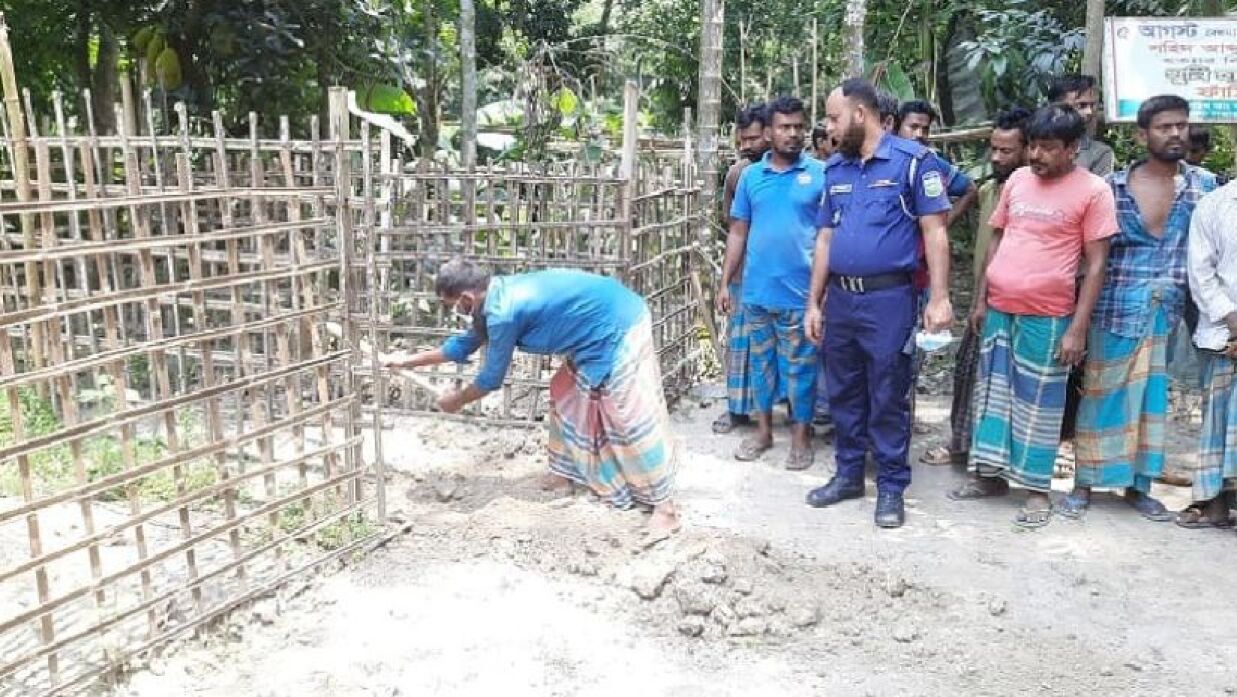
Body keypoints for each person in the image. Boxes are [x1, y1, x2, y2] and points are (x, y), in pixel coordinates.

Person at [385, 260, 680, 535]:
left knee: (625, 413)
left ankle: (665, 507)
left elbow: (491, 379)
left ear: (467, 299)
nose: (457, 313)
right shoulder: (494, 297)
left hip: (619, 324)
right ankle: (564, 474)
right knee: (565, 392)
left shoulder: (502, 313)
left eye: (455, 307)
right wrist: (406, 362)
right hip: (594, 330)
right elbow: (461, 347)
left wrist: (458, 400)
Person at [948, 104, 1117, 529]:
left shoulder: (1094, 191)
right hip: (1001, 309)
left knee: (1038, 405)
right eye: (1035, 146)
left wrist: (1077, 328)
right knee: (994, 397)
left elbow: (1097, 265)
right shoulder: (1019, 181)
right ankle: (989, 477)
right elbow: (997, 239)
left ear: (1073, 148)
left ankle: (1036, 490)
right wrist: (981, 300)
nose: (1037, 156)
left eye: (1048, 148)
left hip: (1050, 314)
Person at [805, 78, 954, 528]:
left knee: (888, 392)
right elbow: (826, 238)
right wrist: (815, 302)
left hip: (890, 298)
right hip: (842, 302)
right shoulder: (836, 170)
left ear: (859, 114)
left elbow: (935, 230)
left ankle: (891, 486)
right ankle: (848, 474)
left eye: (833, 117)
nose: (828, 127)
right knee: (844, 390)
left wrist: (941, 297)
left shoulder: (913, 162)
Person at [1064, 96, 1219, 521]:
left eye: (1182, 126)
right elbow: (1086, 255)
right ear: (1142, 134)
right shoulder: (1109, 188)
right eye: (1165, 126)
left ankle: (1139, 485)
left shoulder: (1205, 187)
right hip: (1112, 307)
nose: (1176, 134)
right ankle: (1085, 481)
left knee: (1152, 402)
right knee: (1099, 394)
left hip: (1166, 312)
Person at [719, 96, 825, 470]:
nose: (793, 134)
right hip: (757, 291)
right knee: (761, 367)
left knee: (801, 369)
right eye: (784, 127)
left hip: (802, 293)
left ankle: (800, 438)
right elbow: (737, 232)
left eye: (799, 126)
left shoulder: (820, 175)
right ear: (769, 132)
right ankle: (763, 432)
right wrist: (725, 281)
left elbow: (830, 237)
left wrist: (822, 293)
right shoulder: (750, 177)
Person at [921, 107, 1031, 467]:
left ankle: (998, 458)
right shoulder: (989, 191)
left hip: (1020, 302)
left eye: (1006, 151)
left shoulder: (1033, 195)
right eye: (993, 149)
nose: (997, 157)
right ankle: (961, 447)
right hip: (986, 298)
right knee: (968, 374)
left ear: (1028, 149)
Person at [1182, 176, 1237, 528]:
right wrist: (1233, 321)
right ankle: (1213, 500)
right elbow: (1200, 273)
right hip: (1222, 333)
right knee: (1217, 419)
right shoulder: (1215, 204)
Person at [713, 104, 771, 435]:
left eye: (754, 138)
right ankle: (737, 409)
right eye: (743, 139)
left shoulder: (792, 169)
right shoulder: (737, 174)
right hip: (744, 270)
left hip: (780, 272)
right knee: (739, 343)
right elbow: (732, 223)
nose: (747, 145)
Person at [1047, 74, 1115, 177]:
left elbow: (1098, 192)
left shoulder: (1099, 153)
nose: (1089, 112)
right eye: (1081, 105)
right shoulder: (1032, 145)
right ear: (1056, 107)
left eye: (1092, 105)